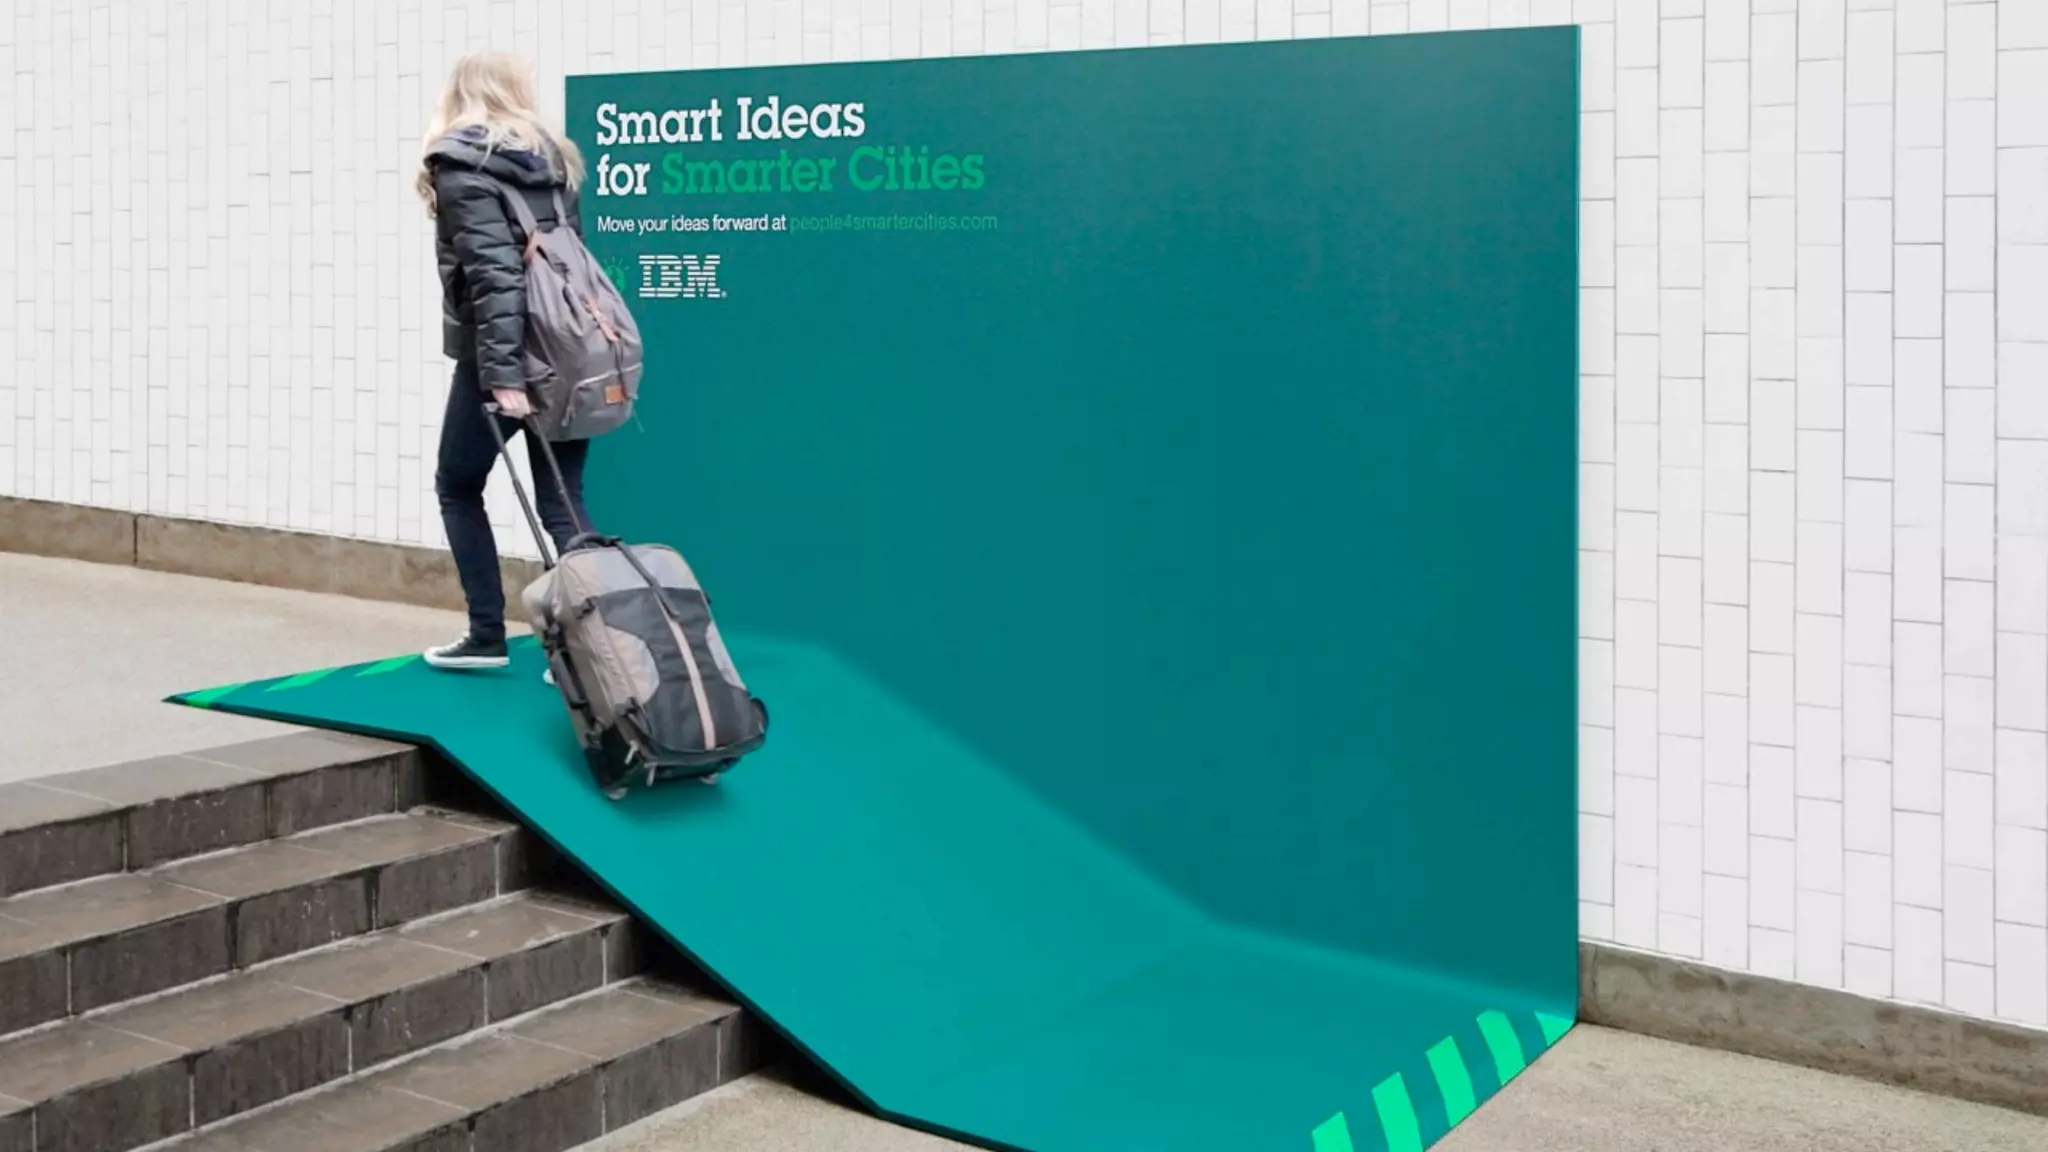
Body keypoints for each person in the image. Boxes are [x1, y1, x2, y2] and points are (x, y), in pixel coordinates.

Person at [415, 51, 592, 670]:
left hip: (501, 358)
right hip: (567, 348)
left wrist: (504, 376)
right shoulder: (554, 161)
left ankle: (487, 635)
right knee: (563, 502)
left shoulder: (460, 165)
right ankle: (597, 654)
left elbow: (497, 277)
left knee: (457, 485)